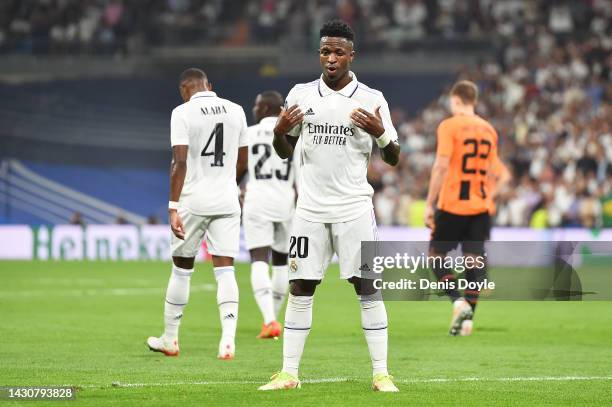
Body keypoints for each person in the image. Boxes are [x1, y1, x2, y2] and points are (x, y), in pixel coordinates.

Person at [258, 20, 400, 392]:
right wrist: (278, 131)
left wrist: (379, 131)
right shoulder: (300, 94)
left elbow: (394, 157)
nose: (332, 58)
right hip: (309, 211)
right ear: (318, 54)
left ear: (352, 55)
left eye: (339, 52)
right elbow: (283, 150)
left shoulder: (371, 98)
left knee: (367, 287)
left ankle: (381, 374)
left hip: (354, 209)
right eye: (325, 51)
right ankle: (289, 373)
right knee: (300, 287)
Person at [147, 68, 248, 360]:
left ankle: (170, 339)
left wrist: (172, 206)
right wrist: (230, 185)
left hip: (193, 199)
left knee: (182, 269)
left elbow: (180, 162)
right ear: (209, 85)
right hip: (228, 199)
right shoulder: (236, 110)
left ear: (184, 89)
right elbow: (243, 160)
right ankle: (228, 341)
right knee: (225, 270)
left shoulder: (182, 112)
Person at [424, 80, 499, 336]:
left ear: (455, 100)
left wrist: (429, 203)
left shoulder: (449, 125)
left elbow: (441, 165)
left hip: (453, 203)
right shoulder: (489, 130)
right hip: (480, 205)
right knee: (474, 262)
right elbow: (492, 172)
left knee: (436, 256)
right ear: (474, 100)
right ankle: (468, 322)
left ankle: (457, 302)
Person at [243, 91, 294, 339]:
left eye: (256, 105)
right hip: (286, 202)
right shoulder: (291, 135)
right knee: (282, 262)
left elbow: (239, 167)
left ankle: (269, 319)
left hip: (258, 200)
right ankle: (273, 320)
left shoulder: (249, 134)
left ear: (264, 108)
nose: (253, 109)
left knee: (259, 258)